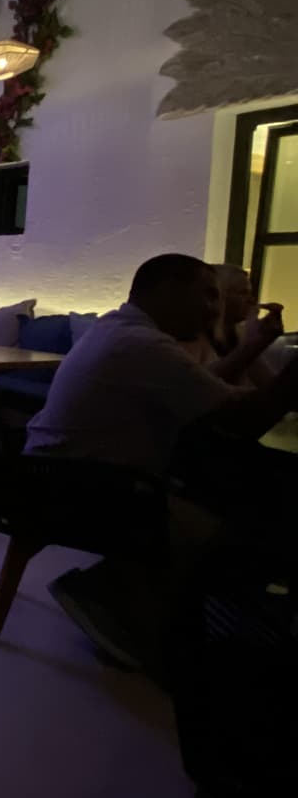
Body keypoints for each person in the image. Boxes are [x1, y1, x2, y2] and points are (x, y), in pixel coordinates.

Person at [25, 253, 297, 664]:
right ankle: (117, 599)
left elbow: (207, 392)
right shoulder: (143, 345)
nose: (216, 308)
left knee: (230, 489)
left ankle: (127, 595)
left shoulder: (119, 330)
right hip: (78, 488)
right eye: (208, 295)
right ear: (168, 290)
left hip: (51, 472)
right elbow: (243, 419)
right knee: (244, 523)